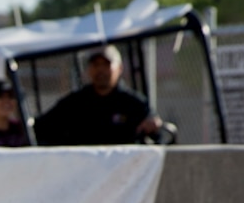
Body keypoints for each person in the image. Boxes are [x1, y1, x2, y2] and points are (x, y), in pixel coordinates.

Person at [32, 44, 164, 146]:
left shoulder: (134, 104)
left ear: (119, 68)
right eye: (96, 65)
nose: (101, 70)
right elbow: (41, 128)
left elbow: (157, 136)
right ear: (89, 69)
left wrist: (154, 128)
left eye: (106, 65)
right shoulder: (75, 103)